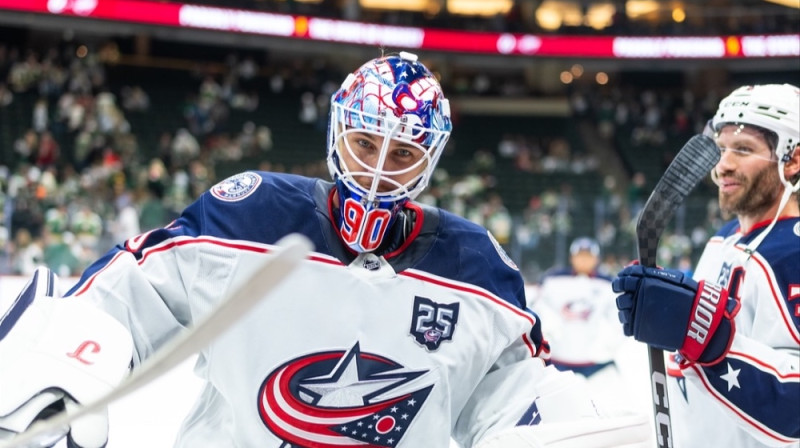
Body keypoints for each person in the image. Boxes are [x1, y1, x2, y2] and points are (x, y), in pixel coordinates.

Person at [0, 52, 650, 448]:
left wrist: (582, 430)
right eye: (366, 143)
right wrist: (62, 362)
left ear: (429, 160)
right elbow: (134, 288)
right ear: (340, 132)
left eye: (402, 153)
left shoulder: (476, 267)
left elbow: (516, 400)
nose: (378, 169)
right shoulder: (250, 214)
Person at [612, 83, 800, 447]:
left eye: (743, 149)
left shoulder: (793, 253)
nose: (723, 165)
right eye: (721, 148)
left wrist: (708, 341)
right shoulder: (723, 239)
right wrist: (668, 306)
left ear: (792, 160)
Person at [531, 237, 650, 418]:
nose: (584, 260)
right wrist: (548, 331)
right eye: (580, 255)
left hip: (595, 364)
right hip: (557, 361)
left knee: (615, 406)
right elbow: (537, 309)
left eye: (588, 256)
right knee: (552, 411)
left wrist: (609, 345)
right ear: (572, 257)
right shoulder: (553, 280)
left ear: (596, 259)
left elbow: (618, 319)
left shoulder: (607, 283)